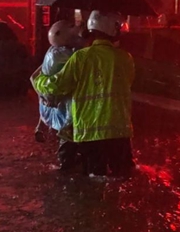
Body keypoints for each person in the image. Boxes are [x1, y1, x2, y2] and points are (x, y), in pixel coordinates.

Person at [33, 10, 135, 178]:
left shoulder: (81, 57)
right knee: (122, 178)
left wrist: (39, 80)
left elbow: (58, 85)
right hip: (121, 133)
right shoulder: (126, 58)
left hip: (91, 134)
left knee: (96, 181)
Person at [33, 20, 84, 170]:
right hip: (64, 105)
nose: (75, 27)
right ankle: (66, 166)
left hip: (55, 102)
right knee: (68, 135)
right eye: (71, 26)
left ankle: (67, 164)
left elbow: (34, 77)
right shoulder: (62, 54)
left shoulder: (52, 52)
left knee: (68, 135)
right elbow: (80, 59)